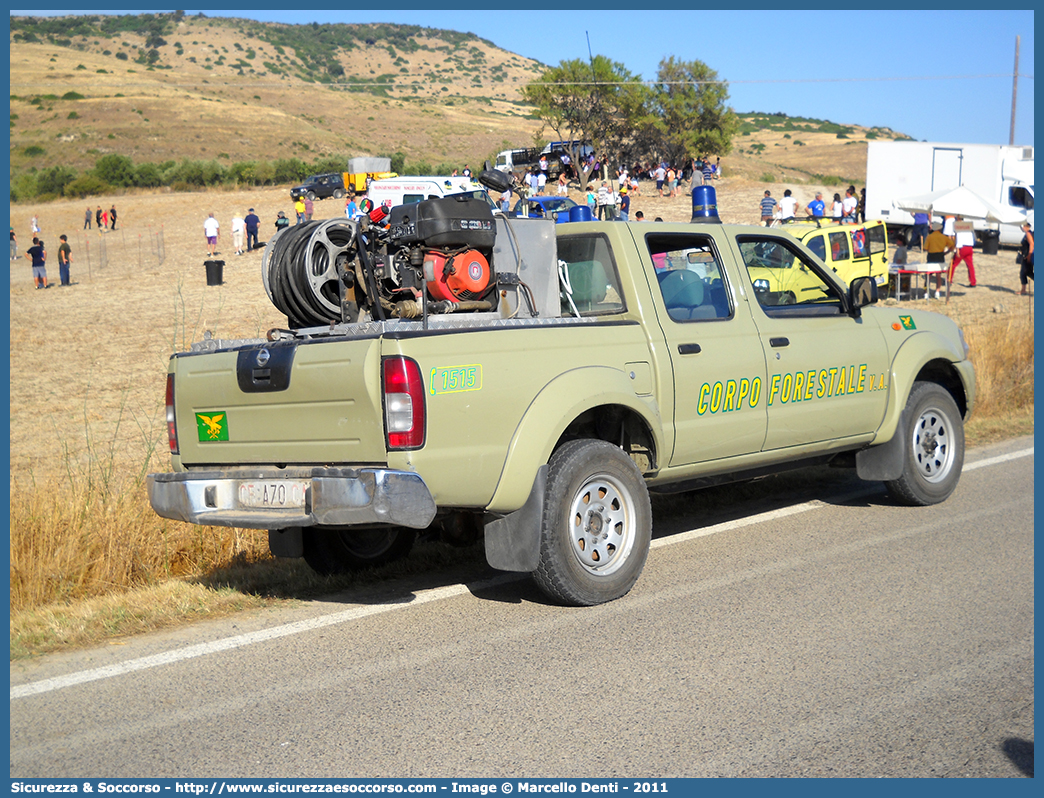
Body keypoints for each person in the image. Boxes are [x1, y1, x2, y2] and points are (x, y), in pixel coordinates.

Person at [949, 216, 977, 287]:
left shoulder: (959, 227)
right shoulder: (968, 227)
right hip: (969, 247)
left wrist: (957, 249)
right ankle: (973, 282)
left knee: (953, 264)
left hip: (963, 247)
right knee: (970, 265)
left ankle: (949, 279)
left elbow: (959, 239)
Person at [1018, 222, 1034, 295]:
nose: (1021, 228)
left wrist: (1029, 256)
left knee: (1024, 272)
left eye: (1022, 227)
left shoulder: (1028, 234)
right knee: (1027, 272)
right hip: (1027, 255)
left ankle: (1023, 290)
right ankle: (1023, 290)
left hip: (1027, 256)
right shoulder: (1029, 233)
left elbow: (1031, 244)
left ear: (1025, 226)